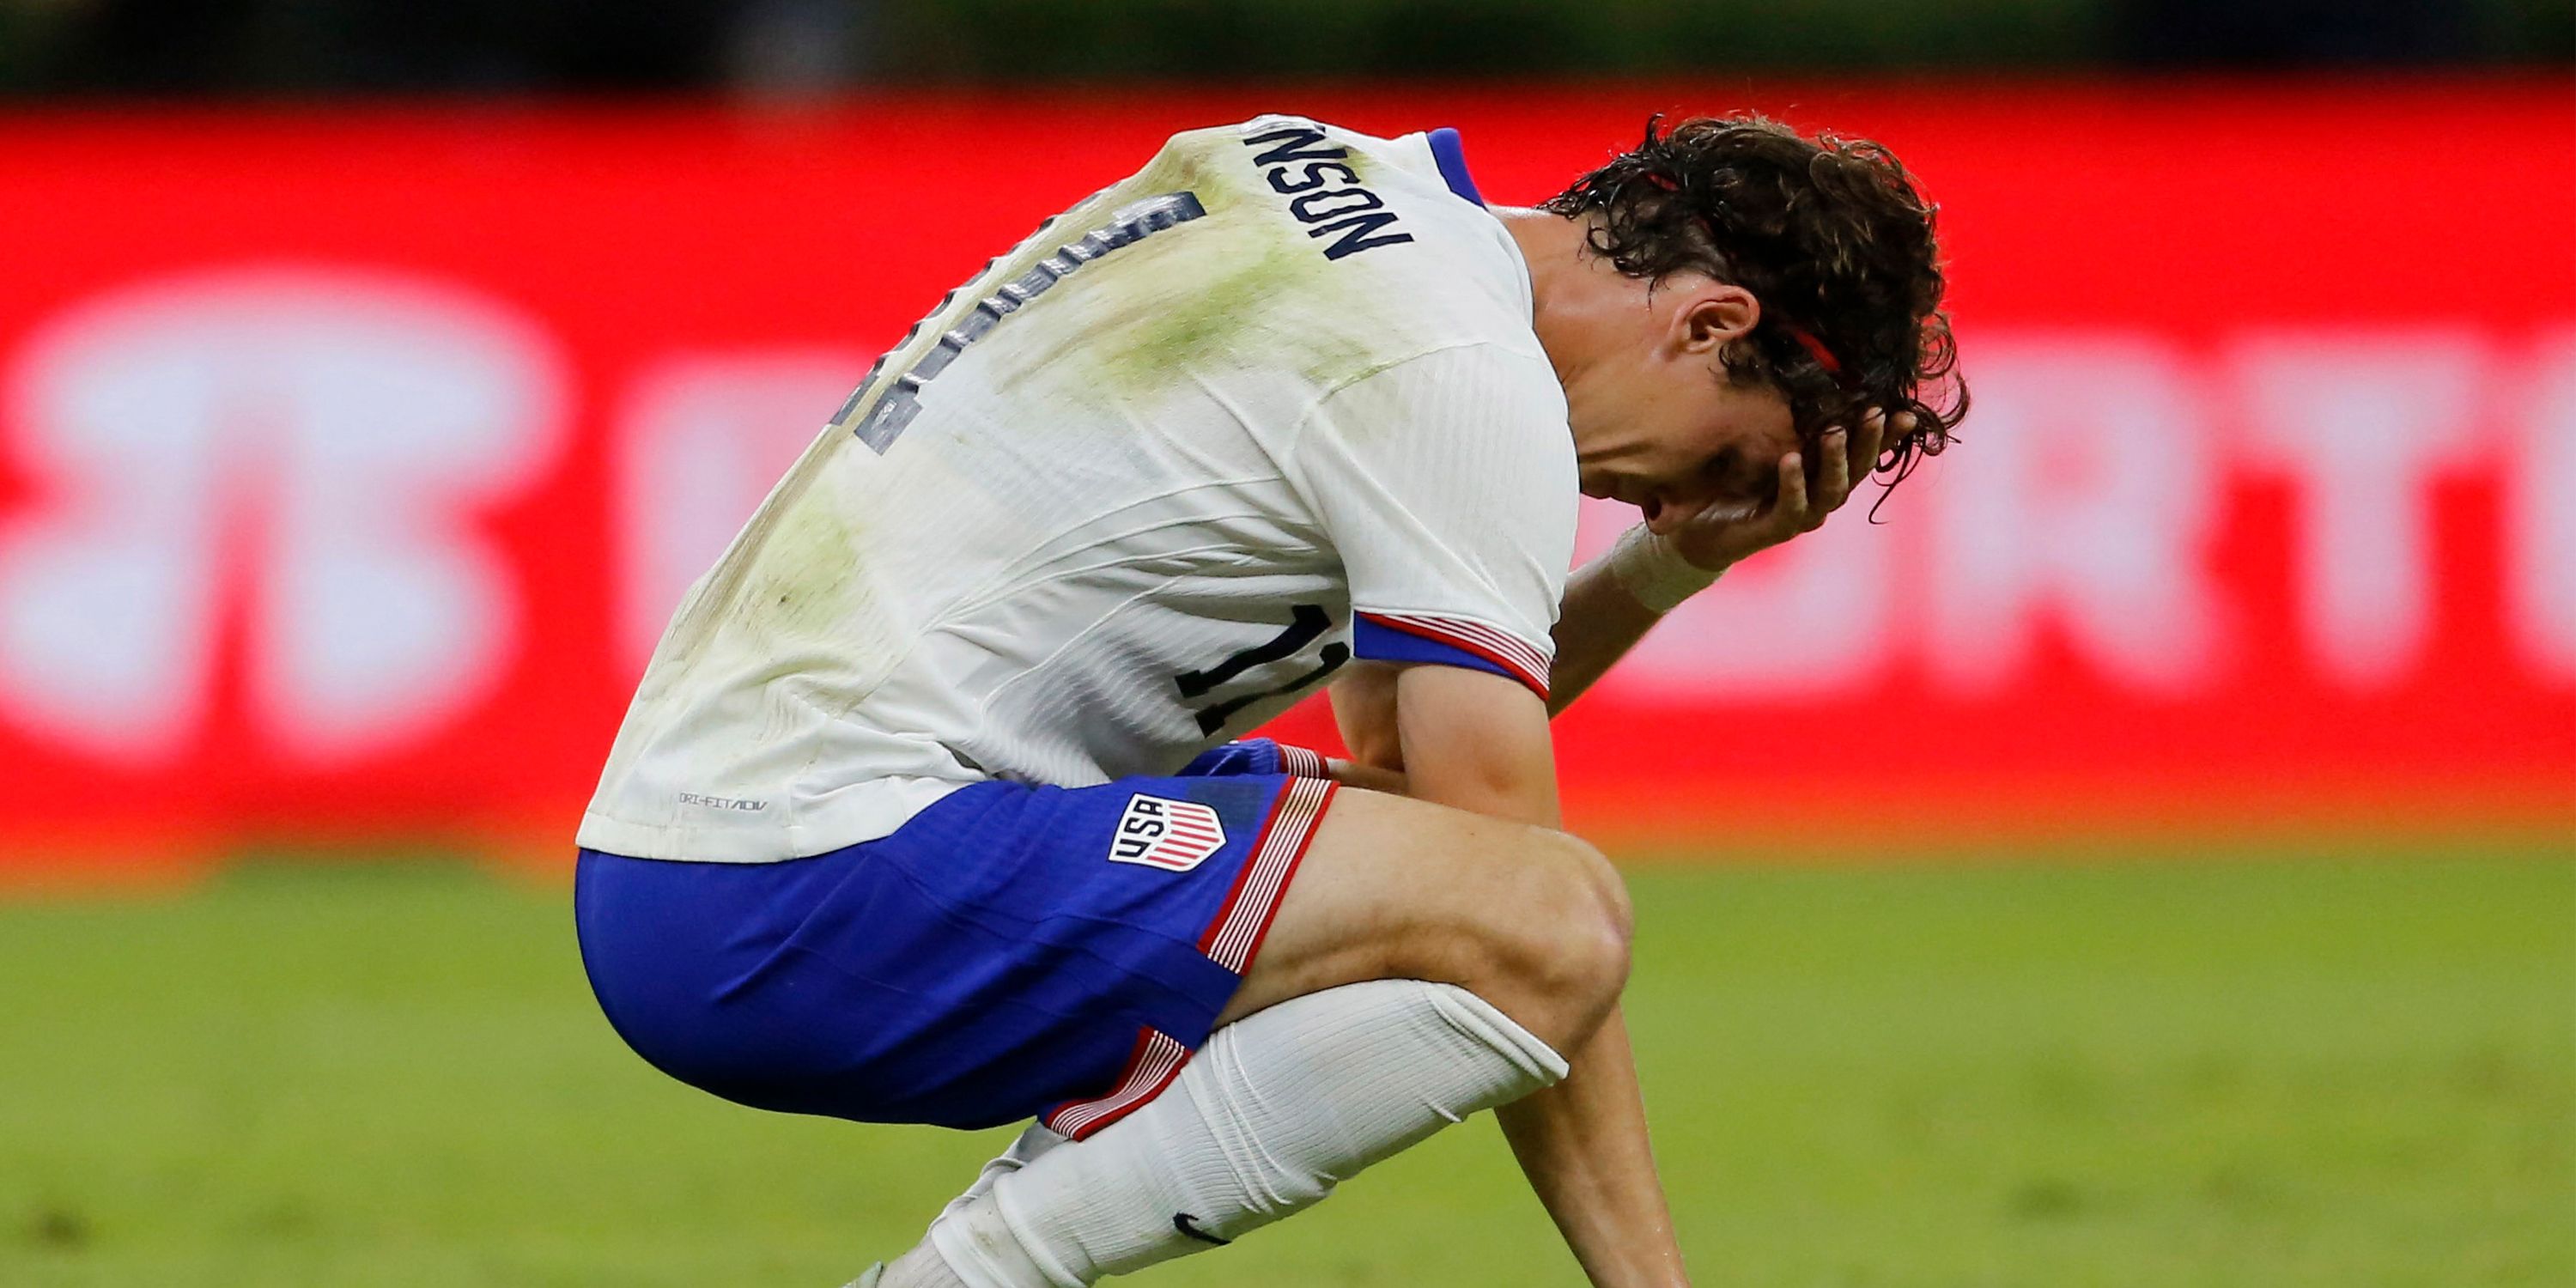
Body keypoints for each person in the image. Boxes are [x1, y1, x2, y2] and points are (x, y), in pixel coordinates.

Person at [573, 112, 1964, 1287]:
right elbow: (1516, 896)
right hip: (802, 879)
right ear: (1713, 323)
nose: (1669, 497)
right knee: (1560, 910)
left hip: (691, 855)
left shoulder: (1341, 186)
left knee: (1408, 842)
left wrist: (1668, 568)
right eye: (1724, 459)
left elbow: (1394, 755)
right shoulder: (1457, 373)